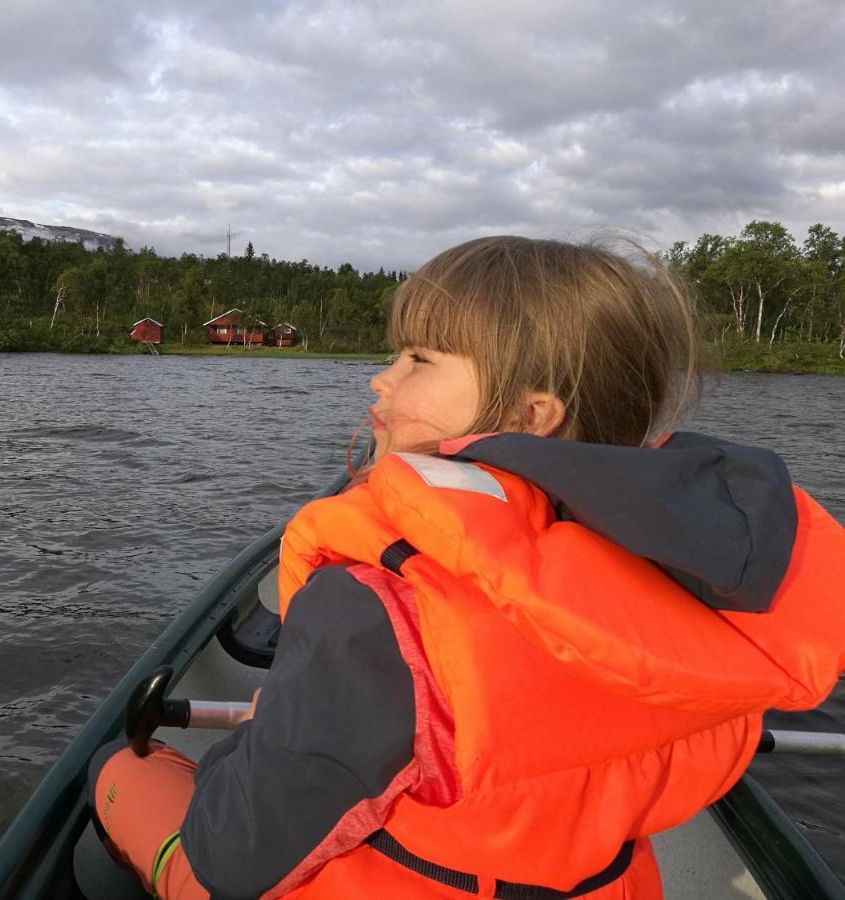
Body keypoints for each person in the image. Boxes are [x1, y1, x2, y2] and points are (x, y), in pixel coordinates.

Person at [80, 236, 845, 899]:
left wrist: (251, 750)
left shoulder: (377, 602)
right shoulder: (702, 584)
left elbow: (238, 853)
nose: (381, 378)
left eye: (417, 359)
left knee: (122, 771)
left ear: (529, 416)